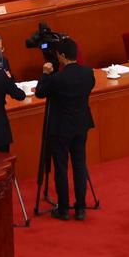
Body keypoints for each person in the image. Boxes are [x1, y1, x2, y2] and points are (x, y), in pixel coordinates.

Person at [35, 37, 95, 219]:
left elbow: (39, 93)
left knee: (61, 168)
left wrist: (45, 74)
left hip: (60, 128)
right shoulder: (88, 73)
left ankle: (63, 209)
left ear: (61, 56)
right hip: (80, 125)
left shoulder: (57, 78)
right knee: (79, 165)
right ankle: (81, 208)